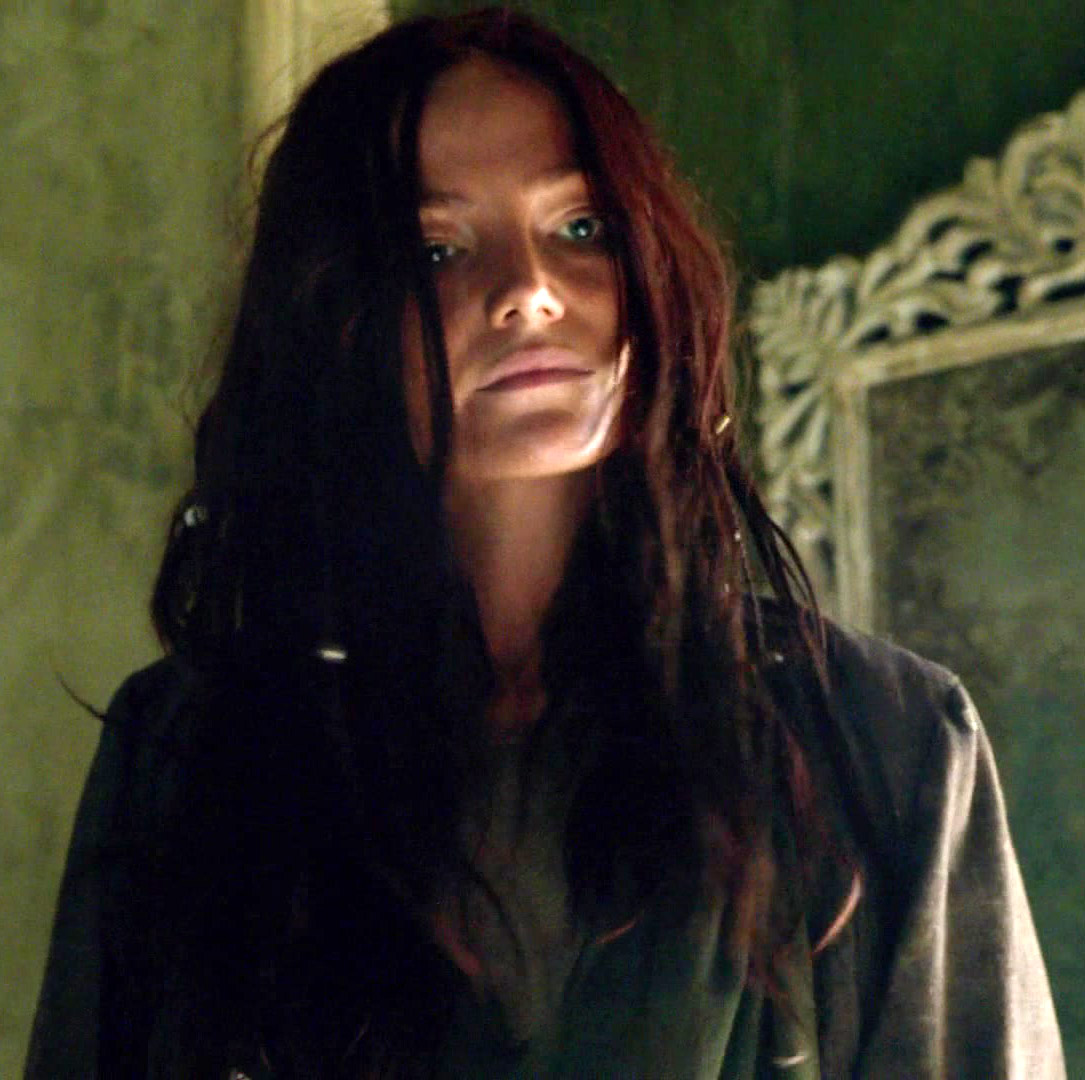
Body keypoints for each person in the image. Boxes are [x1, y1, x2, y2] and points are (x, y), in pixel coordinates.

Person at [26, 8, 1064, 1078]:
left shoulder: (881, 743)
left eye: (581, 229)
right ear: (332, 313)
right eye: (436, 249)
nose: (526, 289)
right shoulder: (193, 753)